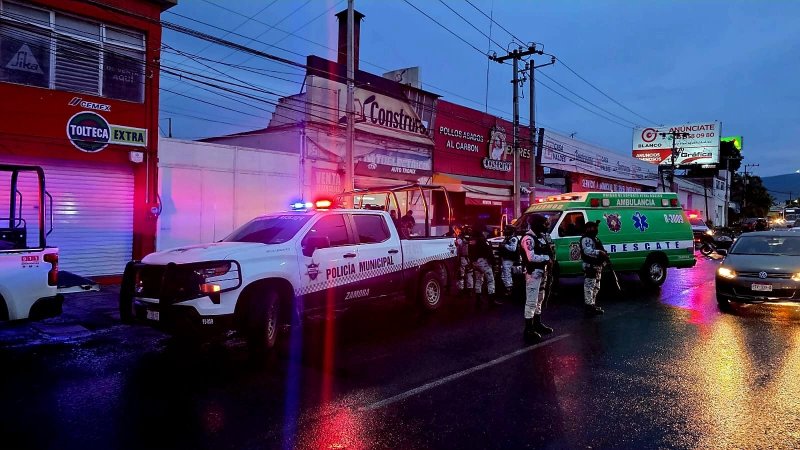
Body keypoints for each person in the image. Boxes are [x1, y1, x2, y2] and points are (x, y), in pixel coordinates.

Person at [520, 214, 554, 342]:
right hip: (533, 273)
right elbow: (531, 257)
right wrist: (547, 259)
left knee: (540, 299)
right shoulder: (528, 238)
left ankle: (537, 324)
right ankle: (528, 329)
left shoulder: (540, 237)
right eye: (544, 223)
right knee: (531, 301)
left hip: (542, 272)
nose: (546, 226)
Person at [580, 220, 606, 316]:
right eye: (594, 227)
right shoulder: (586, 239)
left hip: (597, 266)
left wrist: (604, 257)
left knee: (596, 287)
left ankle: (592, 305)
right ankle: (588, 307)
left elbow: (600, 249)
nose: (596, 229)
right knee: (589, 287)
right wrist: (599, 253)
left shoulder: (595, 238)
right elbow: (587, 251)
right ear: (588, 229)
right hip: (590, 266)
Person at [468, 224, 499, 305]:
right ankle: (491, 300)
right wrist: (494, 263)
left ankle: (478, 299)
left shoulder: (471, 240)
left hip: (475, 263)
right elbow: (489, 253)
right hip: (483, 262)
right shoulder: (482, 240)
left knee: (478, 280)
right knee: (490, 280)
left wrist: (472, 262)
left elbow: (469, 252)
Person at [498, 225, 520, 297]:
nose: (505, 231)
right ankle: (507, 288)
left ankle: (509, 289)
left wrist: (504, 245)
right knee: (504, 275)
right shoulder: (508, 238)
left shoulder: (513, 238)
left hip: (510, 259)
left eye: (506, 230)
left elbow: (513, 249)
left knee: (507, 274)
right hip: (505, 259)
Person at [454, 225, 473, 295]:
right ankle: (470, 290)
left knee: (461, 275)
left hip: (463, 258)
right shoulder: (472, 237)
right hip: (470, 259)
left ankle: (461, 290)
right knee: (469, 274)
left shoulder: (461, 238)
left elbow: (457, 244)